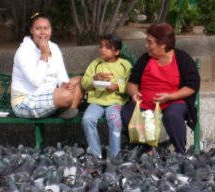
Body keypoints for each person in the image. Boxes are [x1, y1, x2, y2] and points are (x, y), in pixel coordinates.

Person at [121, 22, 200, 154]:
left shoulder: (182, 58)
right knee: (127, 113)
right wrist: (134, 93)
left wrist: (171, 96)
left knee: (172, 116)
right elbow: (131, 84)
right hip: (146, 102)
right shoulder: (145, 59)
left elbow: (192, 86)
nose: (146, 46)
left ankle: (180, 153)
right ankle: (147, 150)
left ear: (163, 44)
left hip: (173, 100)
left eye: (150, 42)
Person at [11, 13, 82, 119]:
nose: (43, 32)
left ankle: (68, 109)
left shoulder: (54, 47)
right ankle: (60, 109)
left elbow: (61, 74)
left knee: (81, 80)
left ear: (51, 30)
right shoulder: (24, 51)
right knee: (67, 96)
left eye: (46, 28)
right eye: (38, 28)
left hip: (49, 96)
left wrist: (65, 84)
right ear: (31, 30)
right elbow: (36, 82)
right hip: (26, 101)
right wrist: (44, 56)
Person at [81, 34, 132, 158]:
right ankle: (95, 153)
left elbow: (130, 85)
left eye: (108, 47)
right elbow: (84, 84)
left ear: (117, 51)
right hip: (96, 101)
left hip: (115, 102)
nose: (102, 49)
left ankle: (115, 154)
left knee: (115, 122)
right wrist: (94, 78)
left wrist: (117, 86)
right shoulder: (96, 64)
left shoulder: (125, 65)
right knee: (87, 119)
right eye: (101, 46)